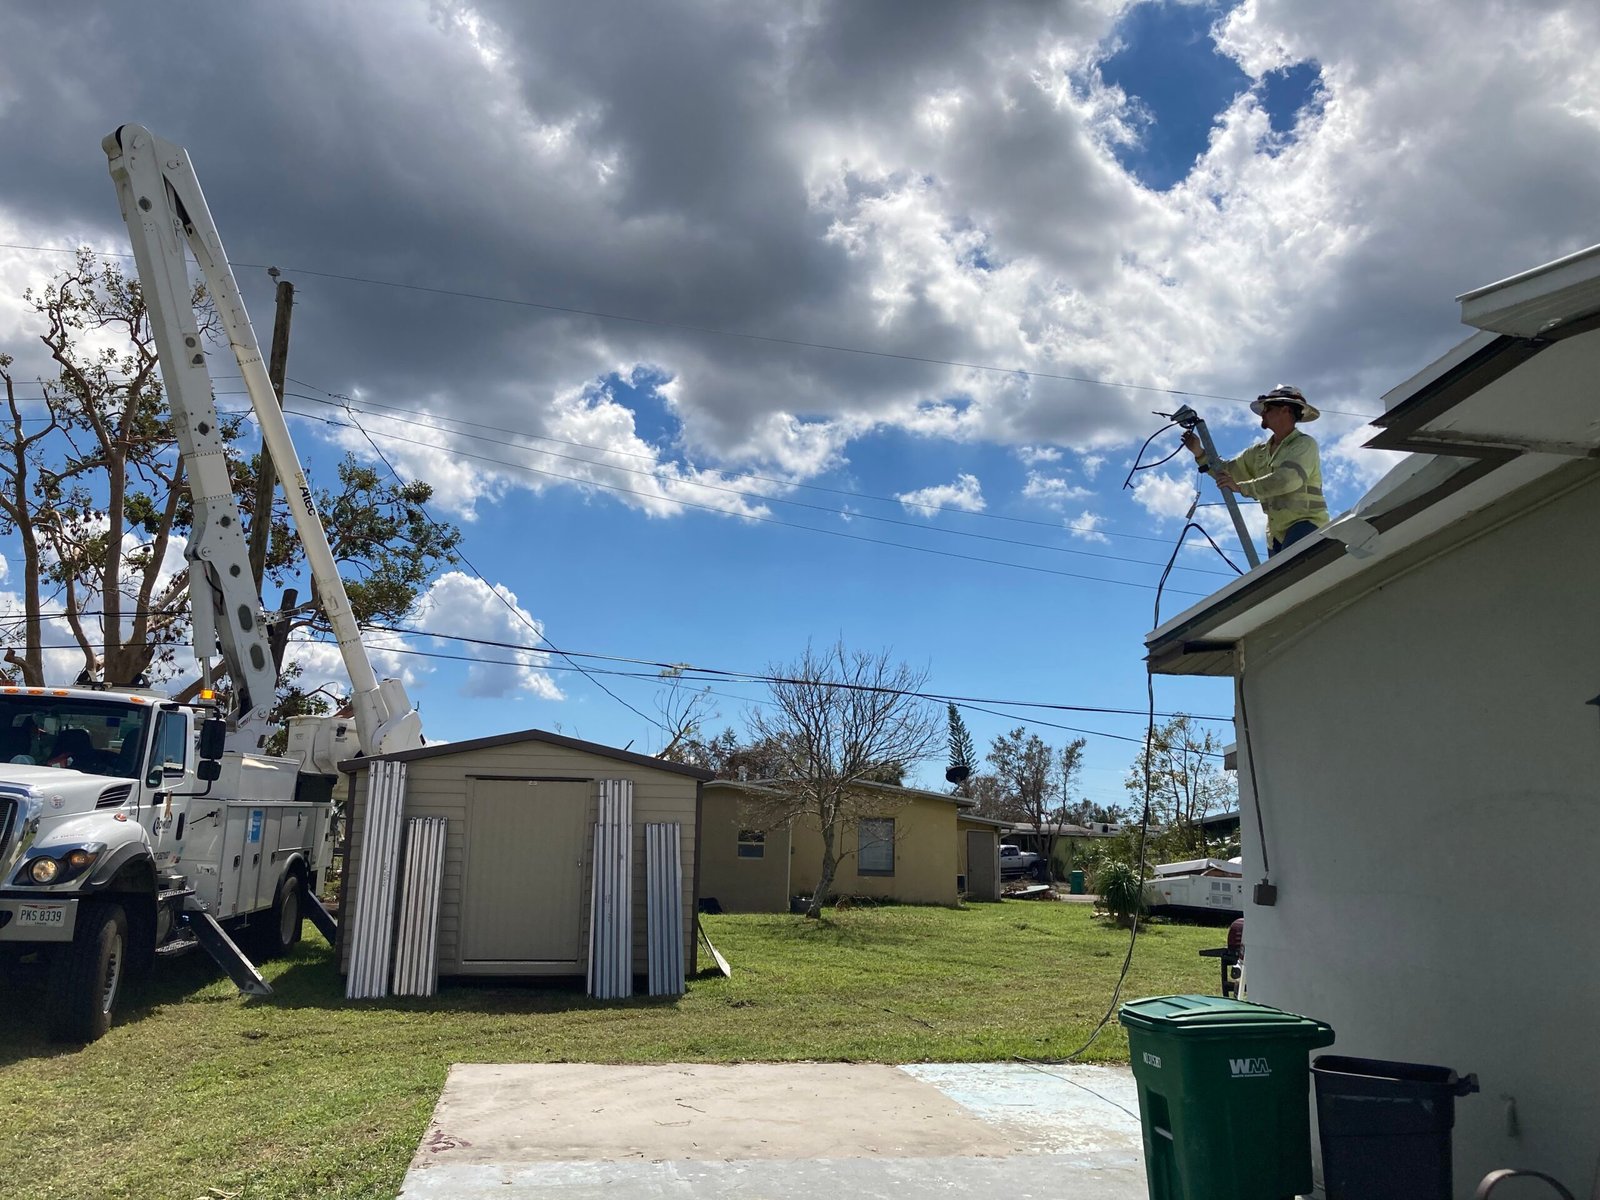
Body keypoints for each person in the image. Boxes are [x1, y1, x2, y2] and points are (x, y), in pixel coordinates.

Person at [1182, 384, 1330, 557]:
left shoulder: (1304, 444)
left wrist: (1241, 487)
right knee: (1279, 582)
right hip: (1276, 536)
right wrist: (1199, 453)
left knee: (1289, 574)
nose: (1263, 413)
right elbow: (1228, 471)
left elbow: (1286, 480)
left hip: (1307, 526)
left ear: (1285, 410)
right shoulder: (1258, 453)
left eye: (1267, 408)